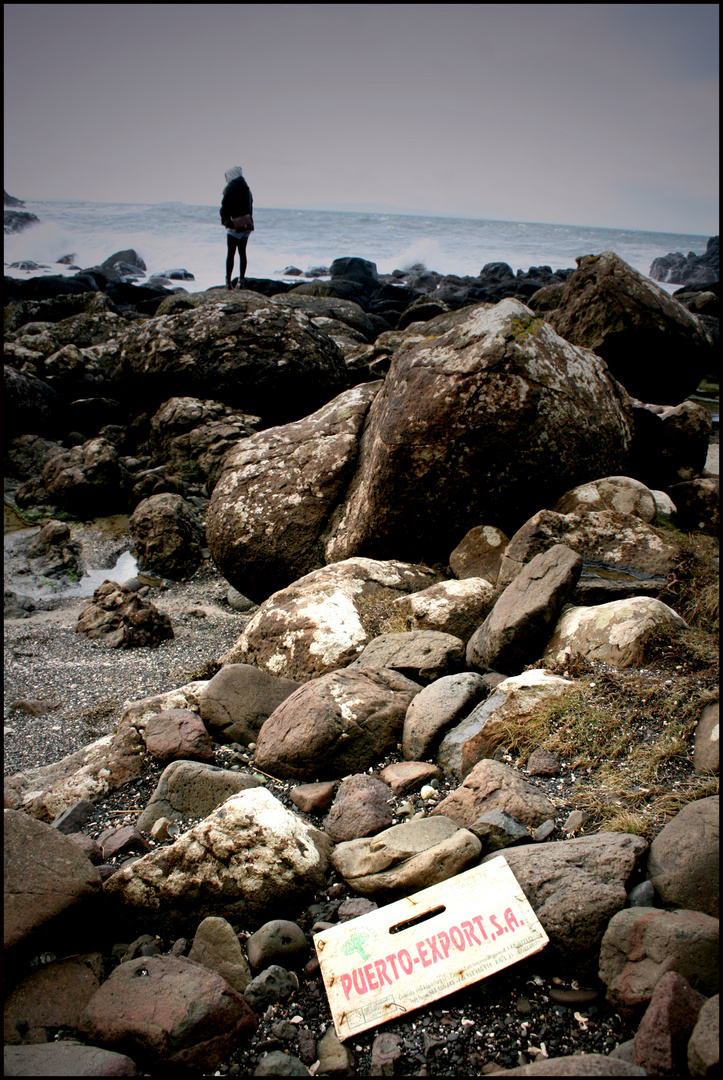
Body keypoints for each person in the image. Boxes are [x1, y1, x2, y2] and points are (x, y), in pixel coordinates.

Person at [220, 166, 253, 289]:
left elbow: (225, 207)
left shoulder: (230, 188)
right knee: (242, 253)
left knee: (231, 253)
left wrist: (226, 221)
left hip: (234, 226)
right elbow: (250, 207)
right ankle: (242, 281)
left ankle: (228, 282)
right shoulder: (247, 188)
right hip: (247, 225)